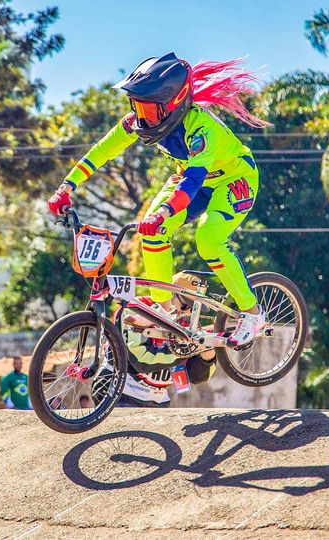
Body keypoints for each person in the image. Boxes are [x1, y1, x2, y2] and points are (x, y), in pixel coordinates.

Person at [48, 53, 269, 347]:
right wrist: (66, 186)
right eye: (137, 106)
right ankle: (164, 310)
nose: (141, 117)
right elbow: (102, 151)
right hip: (190, 179)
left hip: (232, 179)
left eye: (148, 109)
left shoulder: (202, 129)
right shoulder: (136, 124)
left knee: (208, 239)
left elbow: (192, 181)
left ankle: (253, 314)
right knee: (150, 231)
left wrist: (164, 211)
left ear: (173, 105)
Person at [101, 272, 218, 408]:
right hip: (119, 393)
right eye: (185, 305)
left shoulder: (187, 325)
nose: (187, 312)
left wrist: (207, 357)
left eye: (194, 309)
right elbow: (141, 359)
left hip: (159, 401)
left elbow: (196, 377)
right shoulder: (137, 307)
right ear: (170, 294)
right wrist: (184, 350)